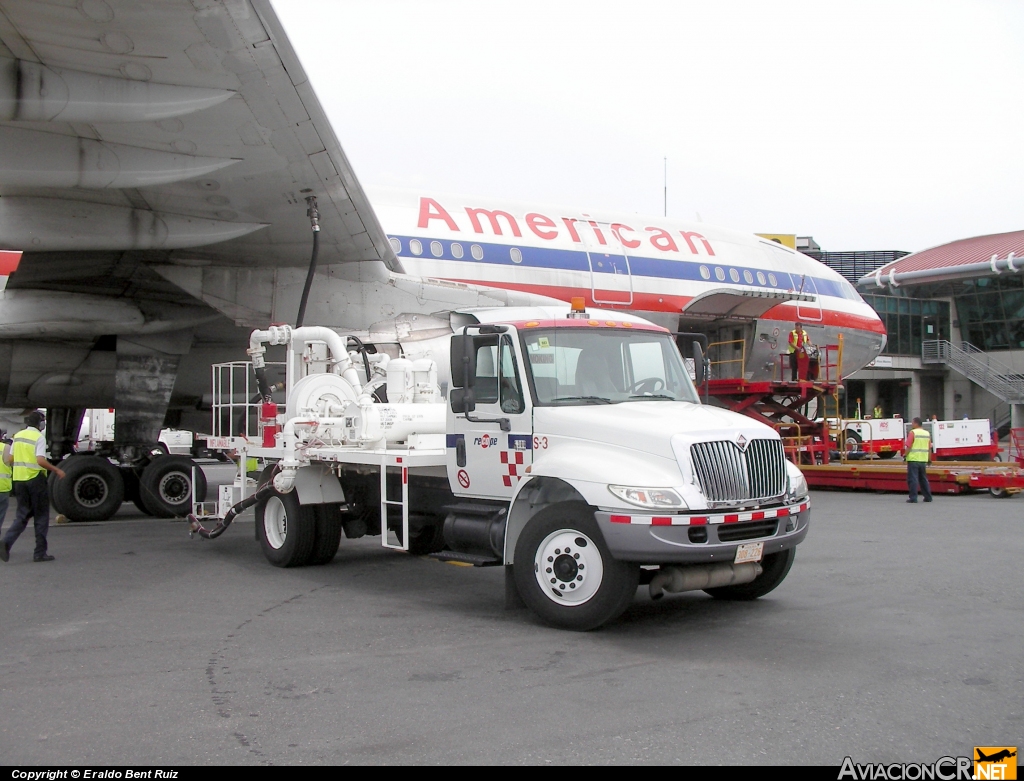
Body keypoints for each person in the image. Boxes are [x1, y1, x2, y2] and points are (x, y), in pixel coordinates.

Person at [0, 411, 66, 563]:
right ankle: (39, 553)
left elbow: (10, 458)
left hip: (19, 481)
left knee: (22, 516)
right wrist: (56, 470)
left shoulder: (18, 436)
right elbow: (40, 460)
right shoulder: (38, 437)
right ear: (41, 424)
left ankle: (6, 542)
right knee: (41, 516)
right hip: (35, 479)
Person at [904, 416, 933, 504]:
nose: (912, 424)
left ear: (916, 423)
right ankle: (928, 497)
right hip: (923, 460)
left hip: (913, 459)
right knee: (923, 479)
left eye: (912, 423)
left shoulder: (913, 433)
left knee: (913, 479)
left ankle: (913, 497)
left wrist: (905, 455)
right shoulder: (927, 433)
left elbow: (909, 446)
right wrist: (929, 459)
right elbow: (929, 448)